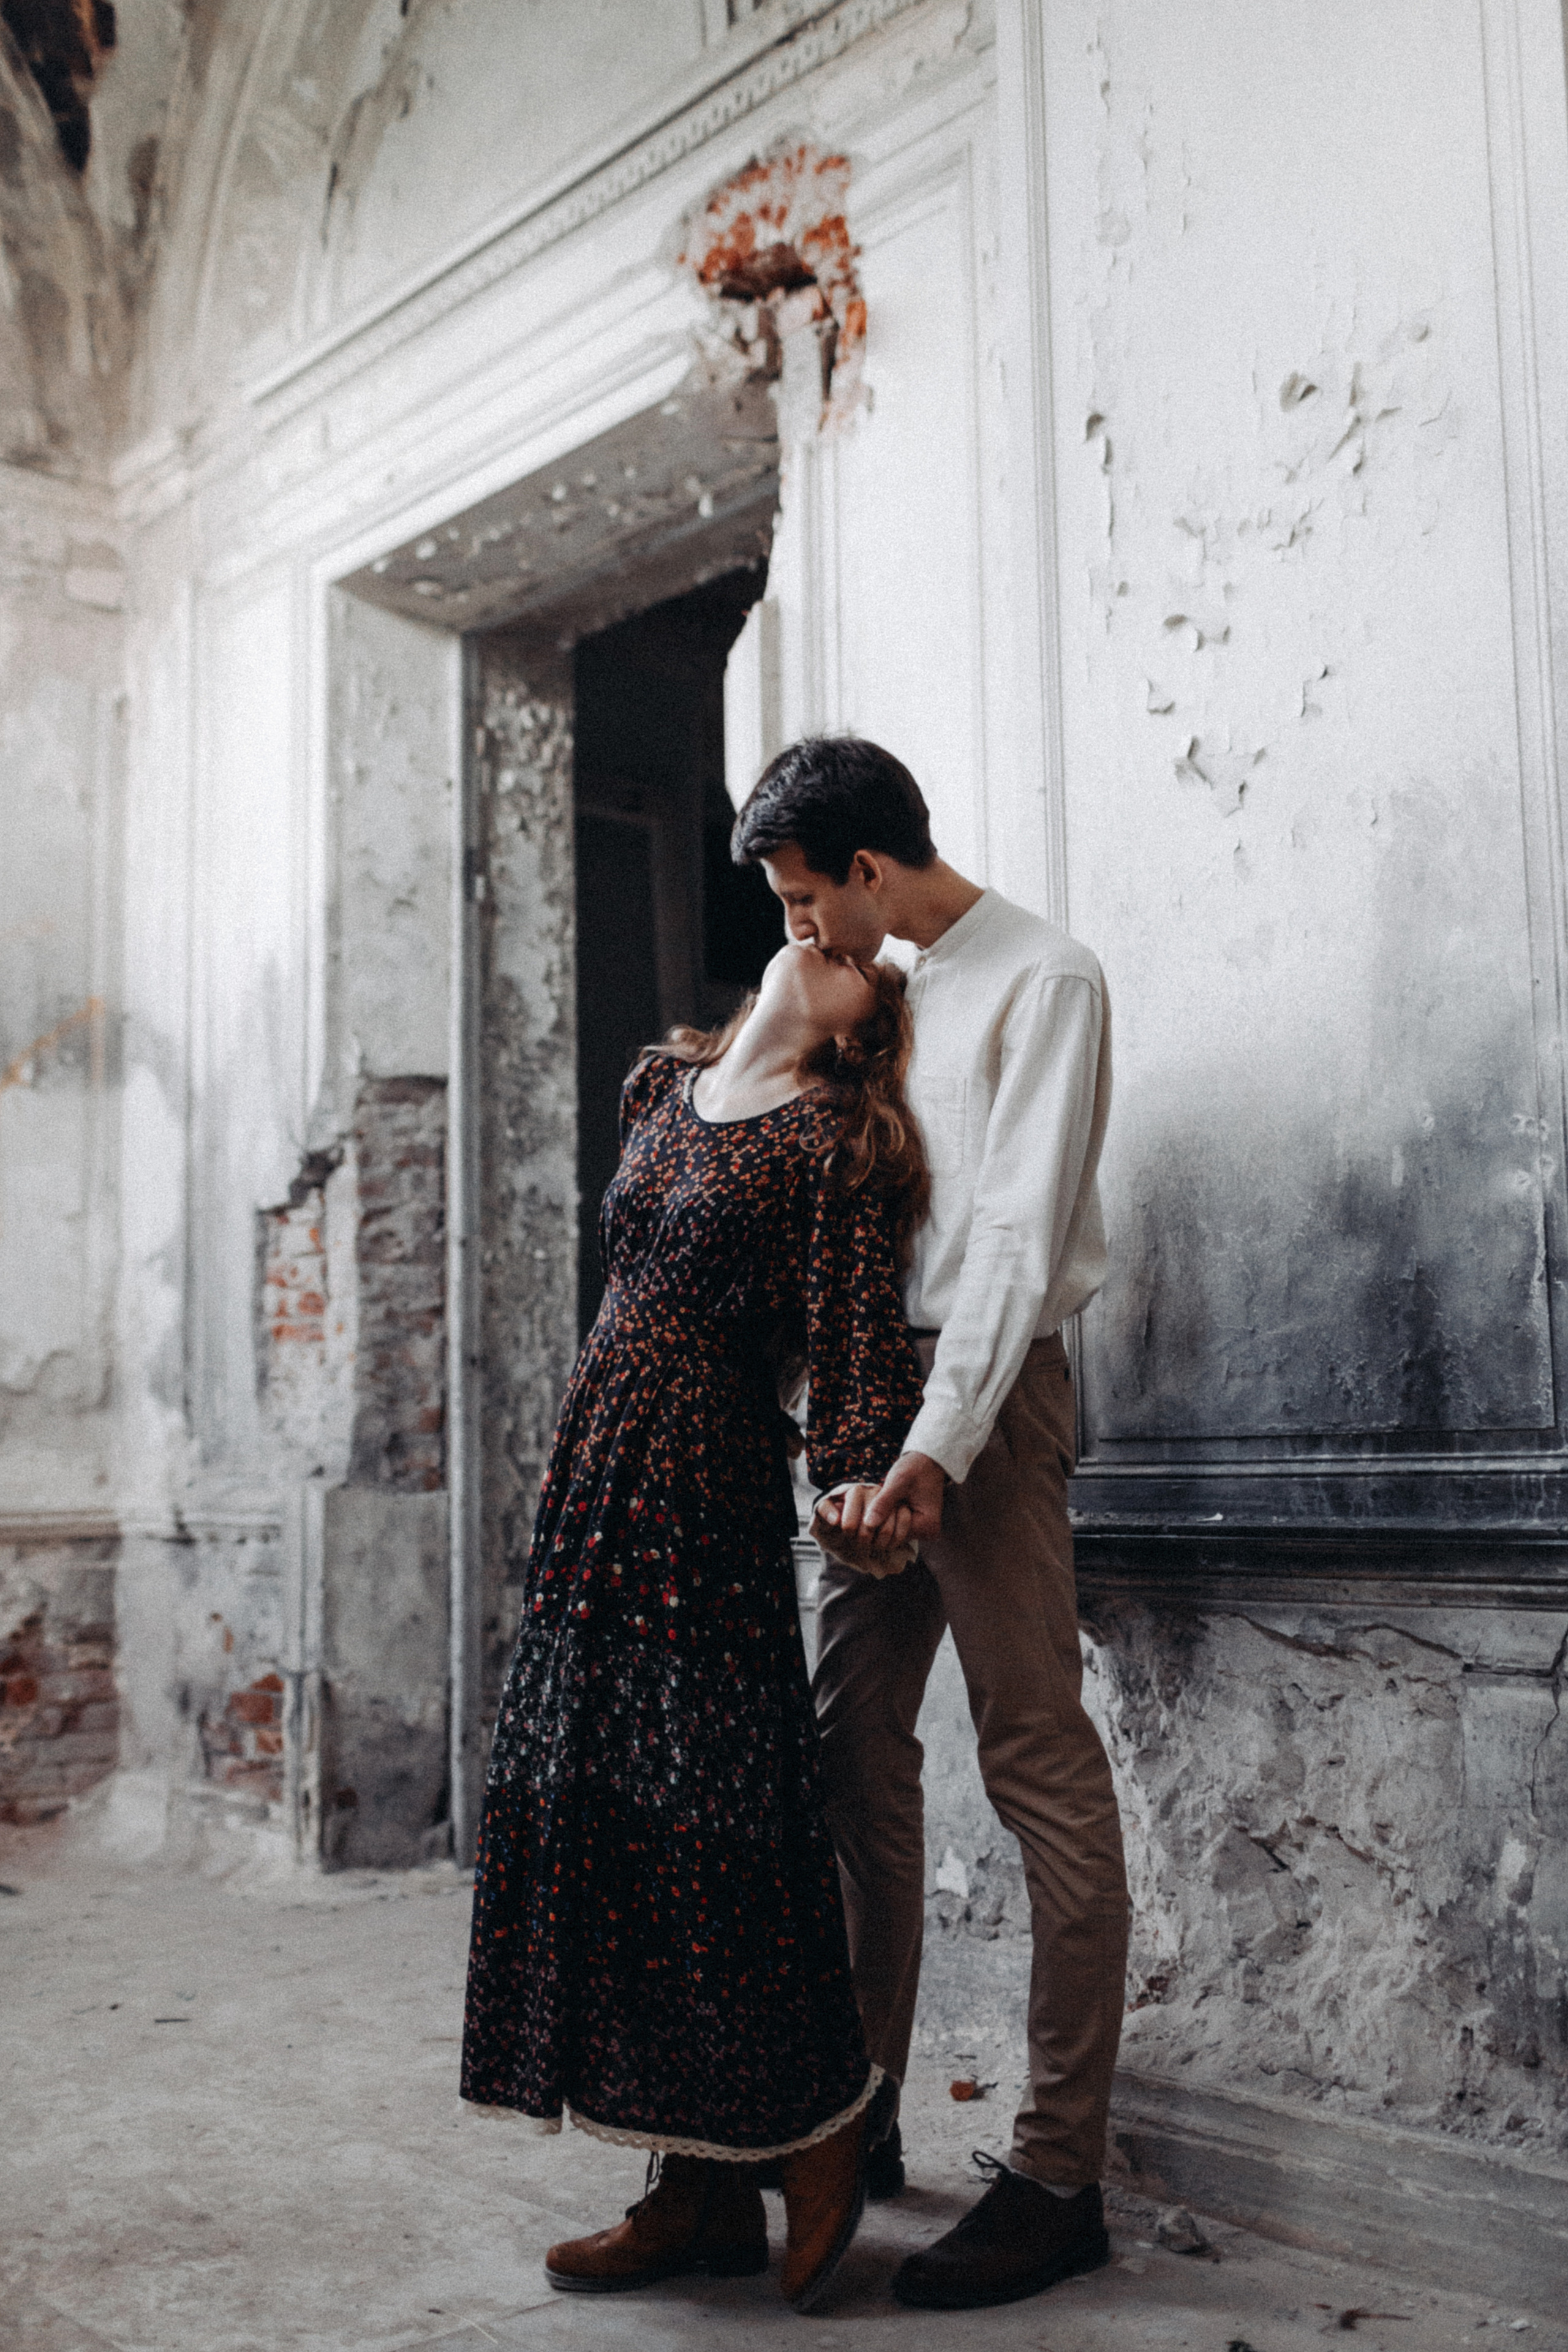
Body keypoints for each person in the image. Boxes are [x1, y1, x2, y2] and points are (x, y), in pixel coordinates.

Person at [459, 938, 927, 2313]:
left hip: (700, 1481)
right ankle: (697, 2183)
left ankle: (820, 2119)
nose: (823, 944)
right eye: (807, 923)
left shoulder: (834, 1138)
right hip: (594, 1465)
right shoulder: (660, 1086)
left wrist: (856, 1476)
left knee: (719, 1821)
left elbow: (852, 1337)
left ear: (864, 1030)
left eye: (859, 959)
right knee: (611, 1818)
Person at [731, 736, 1131, 2313]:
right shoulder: (879, 986)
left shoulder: (1045, 980)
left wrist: (939, 1445)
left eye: (803, 898)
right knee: (846, 1745)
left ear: (871, 872)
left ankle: (1054, 2172)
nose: (799, 931)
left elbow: (1016, 1244)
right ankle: (858, 2108)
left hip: (987, 1397)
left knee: (1035, 1757)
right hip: (860, 1404)